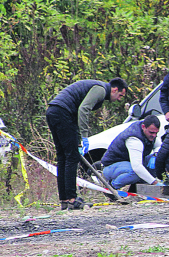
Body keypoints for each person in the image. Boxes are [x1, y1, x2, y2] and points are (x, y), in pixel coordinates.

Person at [45, 77, 128, 210]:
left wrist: (77, 140)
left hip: (53, 111)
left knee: (63, 158)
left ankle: (65, 200)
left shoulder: (98, 88)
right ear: (114, 89)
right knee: (72, 158)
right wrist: (84, 136)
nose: (119, 99)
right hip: (62, 113)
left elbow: (76, 113)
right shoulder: (101, 90)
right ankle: (72, 199)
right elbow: (83, 109)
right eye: (120, 95)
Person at [100, 114, 161, 189]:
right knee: (135, 172)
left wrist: (155, 155)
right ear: (143, 127)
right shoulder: (134, 139)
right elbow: (137, 167)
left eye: (156, 133)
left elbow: (159, 146)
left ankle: (136, 189)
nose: (154, 135)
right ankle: (111, 188)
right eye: (151, 132)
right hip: (111, 166)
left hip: (129, 163)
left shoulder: (148, 132)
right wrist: (155, 182)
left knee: (160, 158)